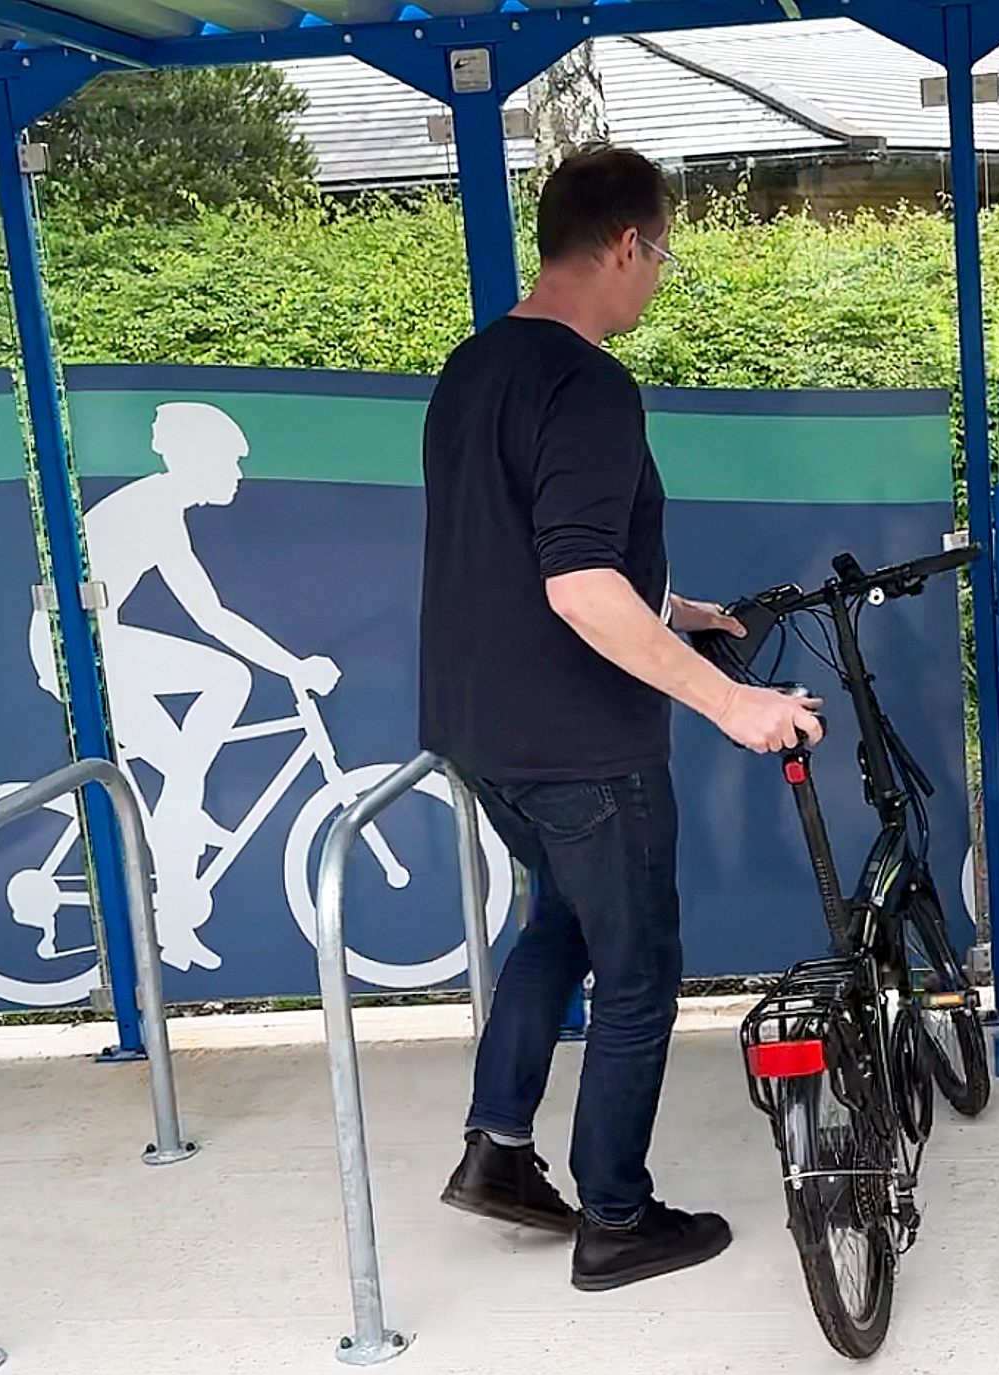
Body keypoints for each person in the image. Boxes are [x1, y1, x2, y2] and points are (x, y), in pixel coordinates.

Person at [417, 146, 823, 1291]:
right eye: (664, 257)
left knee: (563, 922)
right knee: (638, 964)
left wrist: (678, 612)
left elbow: (522, 549)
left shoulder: (474, 365)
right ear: (630, 245)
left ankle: (497, 1151)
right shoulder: (588, 381)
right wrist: (733, 702)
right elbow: (577, 582)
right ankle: (617, 1216)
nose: (658, 282)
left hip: (481, 726)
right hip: (582, 736)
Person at [28, 401, 340, 971]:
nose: (240, 476)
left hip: (97, 645)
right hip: (78, 649)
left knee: (182, 771)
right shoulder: (153, 509)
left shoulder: (159, 506)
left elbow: (208, 612)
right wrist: (294, 667)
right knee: (224, 680)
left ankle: (176, 904)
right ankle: (183, 816)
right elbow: (211, 616)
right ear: (199, 460)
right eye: (231, 462)